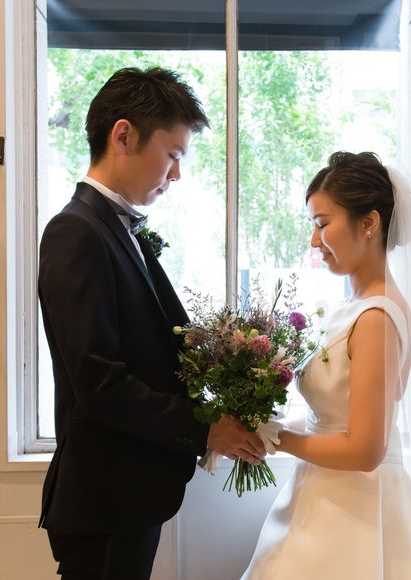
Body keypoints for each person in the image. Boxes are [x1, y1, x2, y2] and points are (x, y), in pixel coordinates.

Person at [38, 66, 265, 580]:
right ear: (123, 136)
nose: (177, 174)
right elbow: (100, 384)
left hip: (129, 495)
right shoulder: (76, 233)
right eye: (173, 154)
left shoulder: (114, 229)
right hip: (105, 498)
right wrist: (205, 429)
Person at [242, 152, 411, 579]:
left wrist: (279, 439)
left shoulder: (377, 317)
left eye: (322, 224)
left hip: (354, 508)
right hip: (321, 494)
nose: (314, 241)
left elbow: (365, 450)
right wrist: (269, 423)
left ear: (369, 223)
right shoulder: (354, 307)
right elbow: (335, 412)